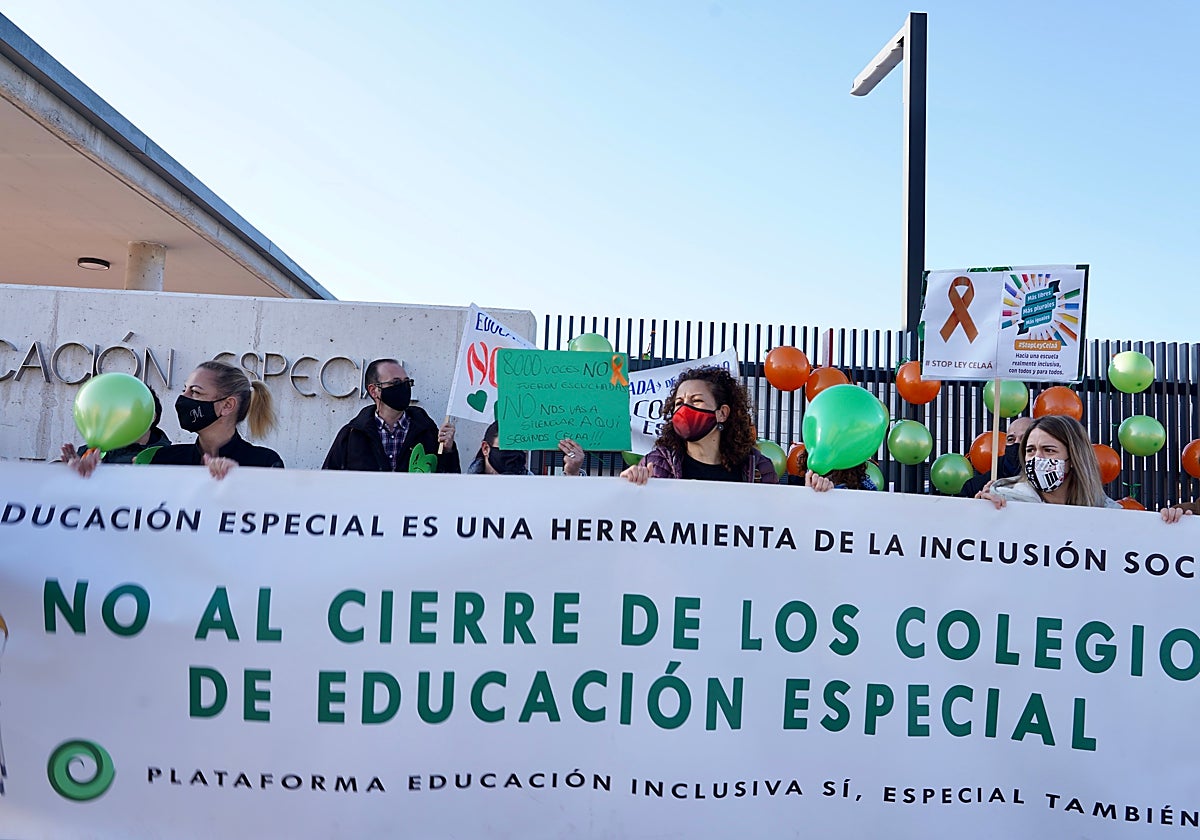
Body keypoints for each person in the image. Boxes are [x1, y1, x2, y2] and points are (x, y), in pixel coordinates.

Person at [69, 360, 282, 479]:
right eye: (184, 390)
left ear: (227, 405)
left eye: (195, 392)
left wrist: (240, 481)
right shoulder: (162, 458)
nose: (183, 399)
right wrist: (89, 476)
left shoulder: (264, 462)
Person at [621, 366, 777, 484]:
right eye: (679, 403)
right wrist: (629, 485)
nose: (684, 408)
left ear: (722, 413)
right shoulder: (656, 464)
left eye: (696, 400)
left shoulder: (758, 468)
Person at [322, 358, 459, 473]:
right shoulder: (352, 435)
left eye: (407, 382)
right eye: (396, 382)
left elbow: (449, 482)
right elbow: (329, 480)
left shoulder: (428, 433)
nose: (404, 387)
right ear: (374, 390)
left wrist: (448, 450)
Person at [976, 415, 1120, 509]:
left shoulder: (1107, 511)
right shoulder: (1005, 501)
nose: (1037, 458)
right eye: (1030, 450)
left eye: (1049, 450)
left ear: (1073, 458)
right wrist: (981, 512)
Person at [60, 388, 171, 465]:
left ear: (152, 416)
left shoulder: (169, 456)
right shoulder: (91, 452)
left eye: (130, 409)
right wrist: (70, 473)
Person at [466, 421, 586, 476]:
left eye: (520, 447)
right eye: (507, 446)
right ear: (485, 449)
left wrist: (572, 474)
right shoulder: (464, 491)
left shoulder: (536, 490)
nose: (514, 453)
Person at [958, 416, 1032, 498]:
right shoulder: (974, 486)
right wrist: (979, 502)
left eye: (1024, 439)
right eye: (1011, 439)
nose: (1017, 443)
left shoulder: (1041, 480)